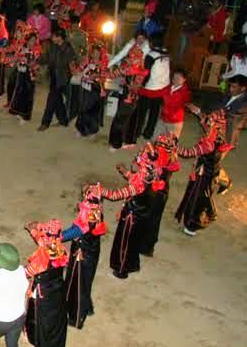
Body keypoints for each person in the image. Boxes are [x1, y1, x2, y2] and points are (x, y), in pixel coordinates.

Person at [176, 101, 238, 236]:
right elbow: (205, 121)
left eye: (211, 122)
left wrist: (173, 147)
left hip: (204, 175)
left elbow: (187, 153)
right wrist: (196, 111)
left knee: (198, 199)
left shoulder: (209, 143)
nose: (208, 123)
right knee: (200, 196)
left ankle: (193, 225)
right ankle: (223, 183)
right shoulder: (218, 134)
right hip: (208, 171)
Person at [102, 144, 163, 278]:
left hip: (132, 217)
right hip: (142, 214)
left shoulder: (139, 183)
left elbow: (115, 195)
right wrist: (125, 172)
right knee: (134, 241)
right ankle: (133, 264)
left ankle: (122, 269)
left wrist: (100, 191)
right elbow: (136, 177)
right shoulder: (152, 173)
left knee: (125, 243)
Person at [23, 220, 69, 347]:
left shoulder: (41, 258)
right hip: (57, 291)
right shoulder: (61, 249)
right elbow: (42, 241)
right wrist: (32, 231)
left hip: (42, 293)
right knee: (54, 321)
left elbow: (26, 273)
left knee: (38, 318)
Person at [61, 185, 106, 329]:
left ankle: (77, 318)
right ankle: (87, 307)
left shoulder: (89, 217)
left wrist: (55, 237)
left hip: (83, 254)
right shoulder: (96, 212)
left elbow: (74, 232)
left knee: (78, 285)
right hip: (90, 251)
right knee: (85, 282)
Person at [38, 29, 77, 131]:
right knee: (57, 99)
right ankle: (63, 121)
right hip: (53, 76)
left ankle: (45, 122)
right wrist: (37, 59)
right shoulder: (52, 47)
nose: (52, 38)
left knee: (51, 98)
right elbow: (45, 58)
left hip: (63, 77)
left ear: (60, 37)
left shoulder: (68, 48)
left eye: (54, 36)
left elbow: (66, 63)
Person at [138, 68, 191, 138]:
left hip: (175, 123)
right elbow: (154, 93)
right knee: (157, 139)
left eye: (178, 78)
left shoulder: (186, 92)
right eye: (174, 77)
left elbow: (185, 102)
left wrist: (190, 106)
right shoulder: (168, 88)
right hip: (163, 119)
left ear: (184, 80)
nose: (175, 79)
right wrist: (140, 90)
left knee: (170, 143)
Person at [136, 33, 171, 140]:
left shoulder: (151, 55)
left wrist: (140, 85)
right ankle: (148, 133)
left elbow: (146, 74)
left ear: (151, 43)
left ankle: (136, 132)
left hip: (150, 88)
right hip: (162, 88)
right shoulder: (166, 53)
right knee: (154, 113)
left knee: (141, 112)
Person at [177, 0, 206, 64]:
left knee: (191, 49)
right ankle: (179, 64)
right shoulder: (185, 2)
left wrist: (197, 24)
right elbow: (179, 15)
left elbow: (205, 18)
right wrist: (188, 20)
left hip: (196, 31)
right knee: (182, 47)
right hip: (185, 29)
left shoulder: (202, 3)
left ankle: (187, 64)